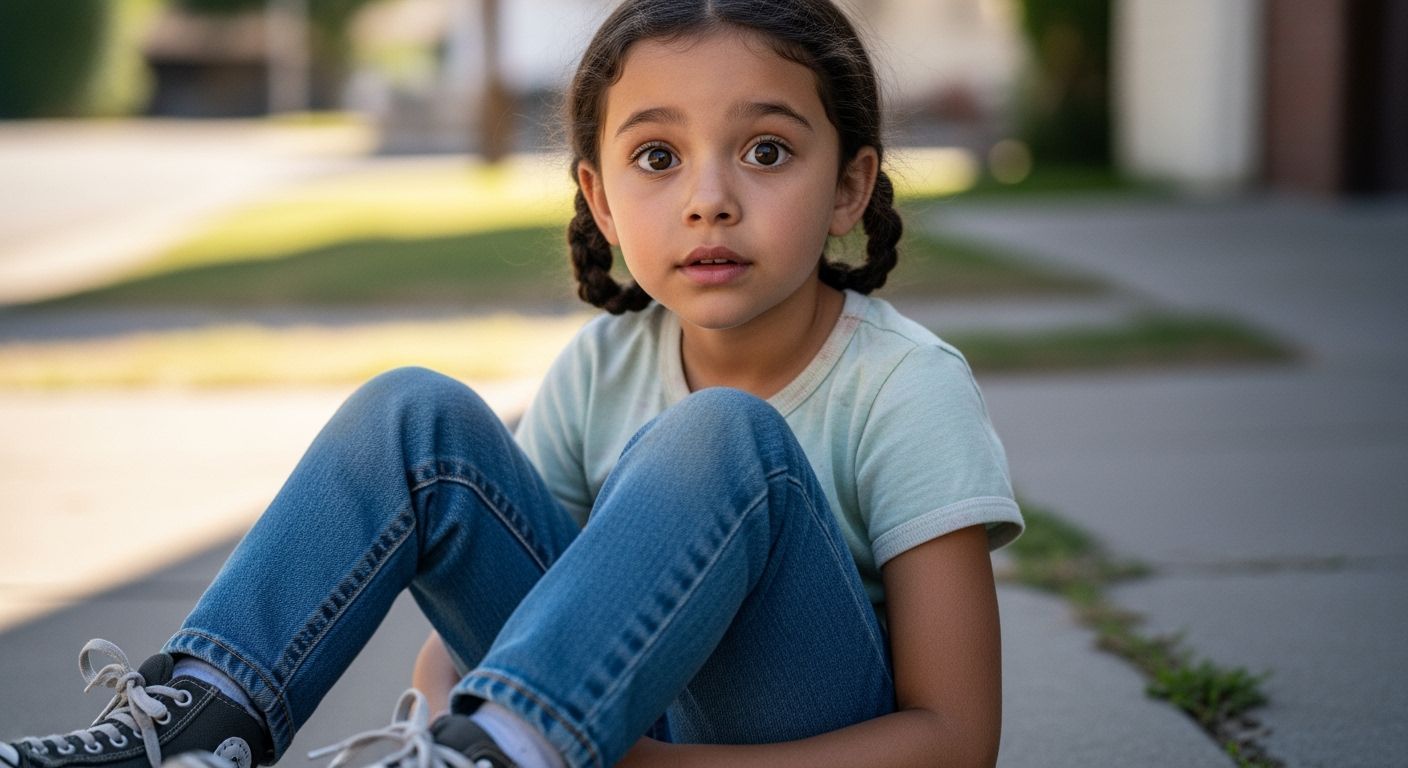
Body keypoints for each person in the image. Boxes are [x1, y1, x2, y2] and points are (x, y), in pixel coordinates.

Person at [1, 1, 1023, 766]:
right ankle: (199, 722)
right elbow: (504, 619)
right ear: (601, 199)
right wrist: (449, 716)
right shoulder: (601, 366)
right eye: (657, 157)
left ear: (849, 183)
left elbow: (954, 738)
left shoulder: (903, 389)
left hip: (762, 743)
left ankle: (519, 752)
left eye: (765, 151)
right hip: (596, 726)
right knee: (412, 411)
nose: (709, 199)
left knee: (724, 435)